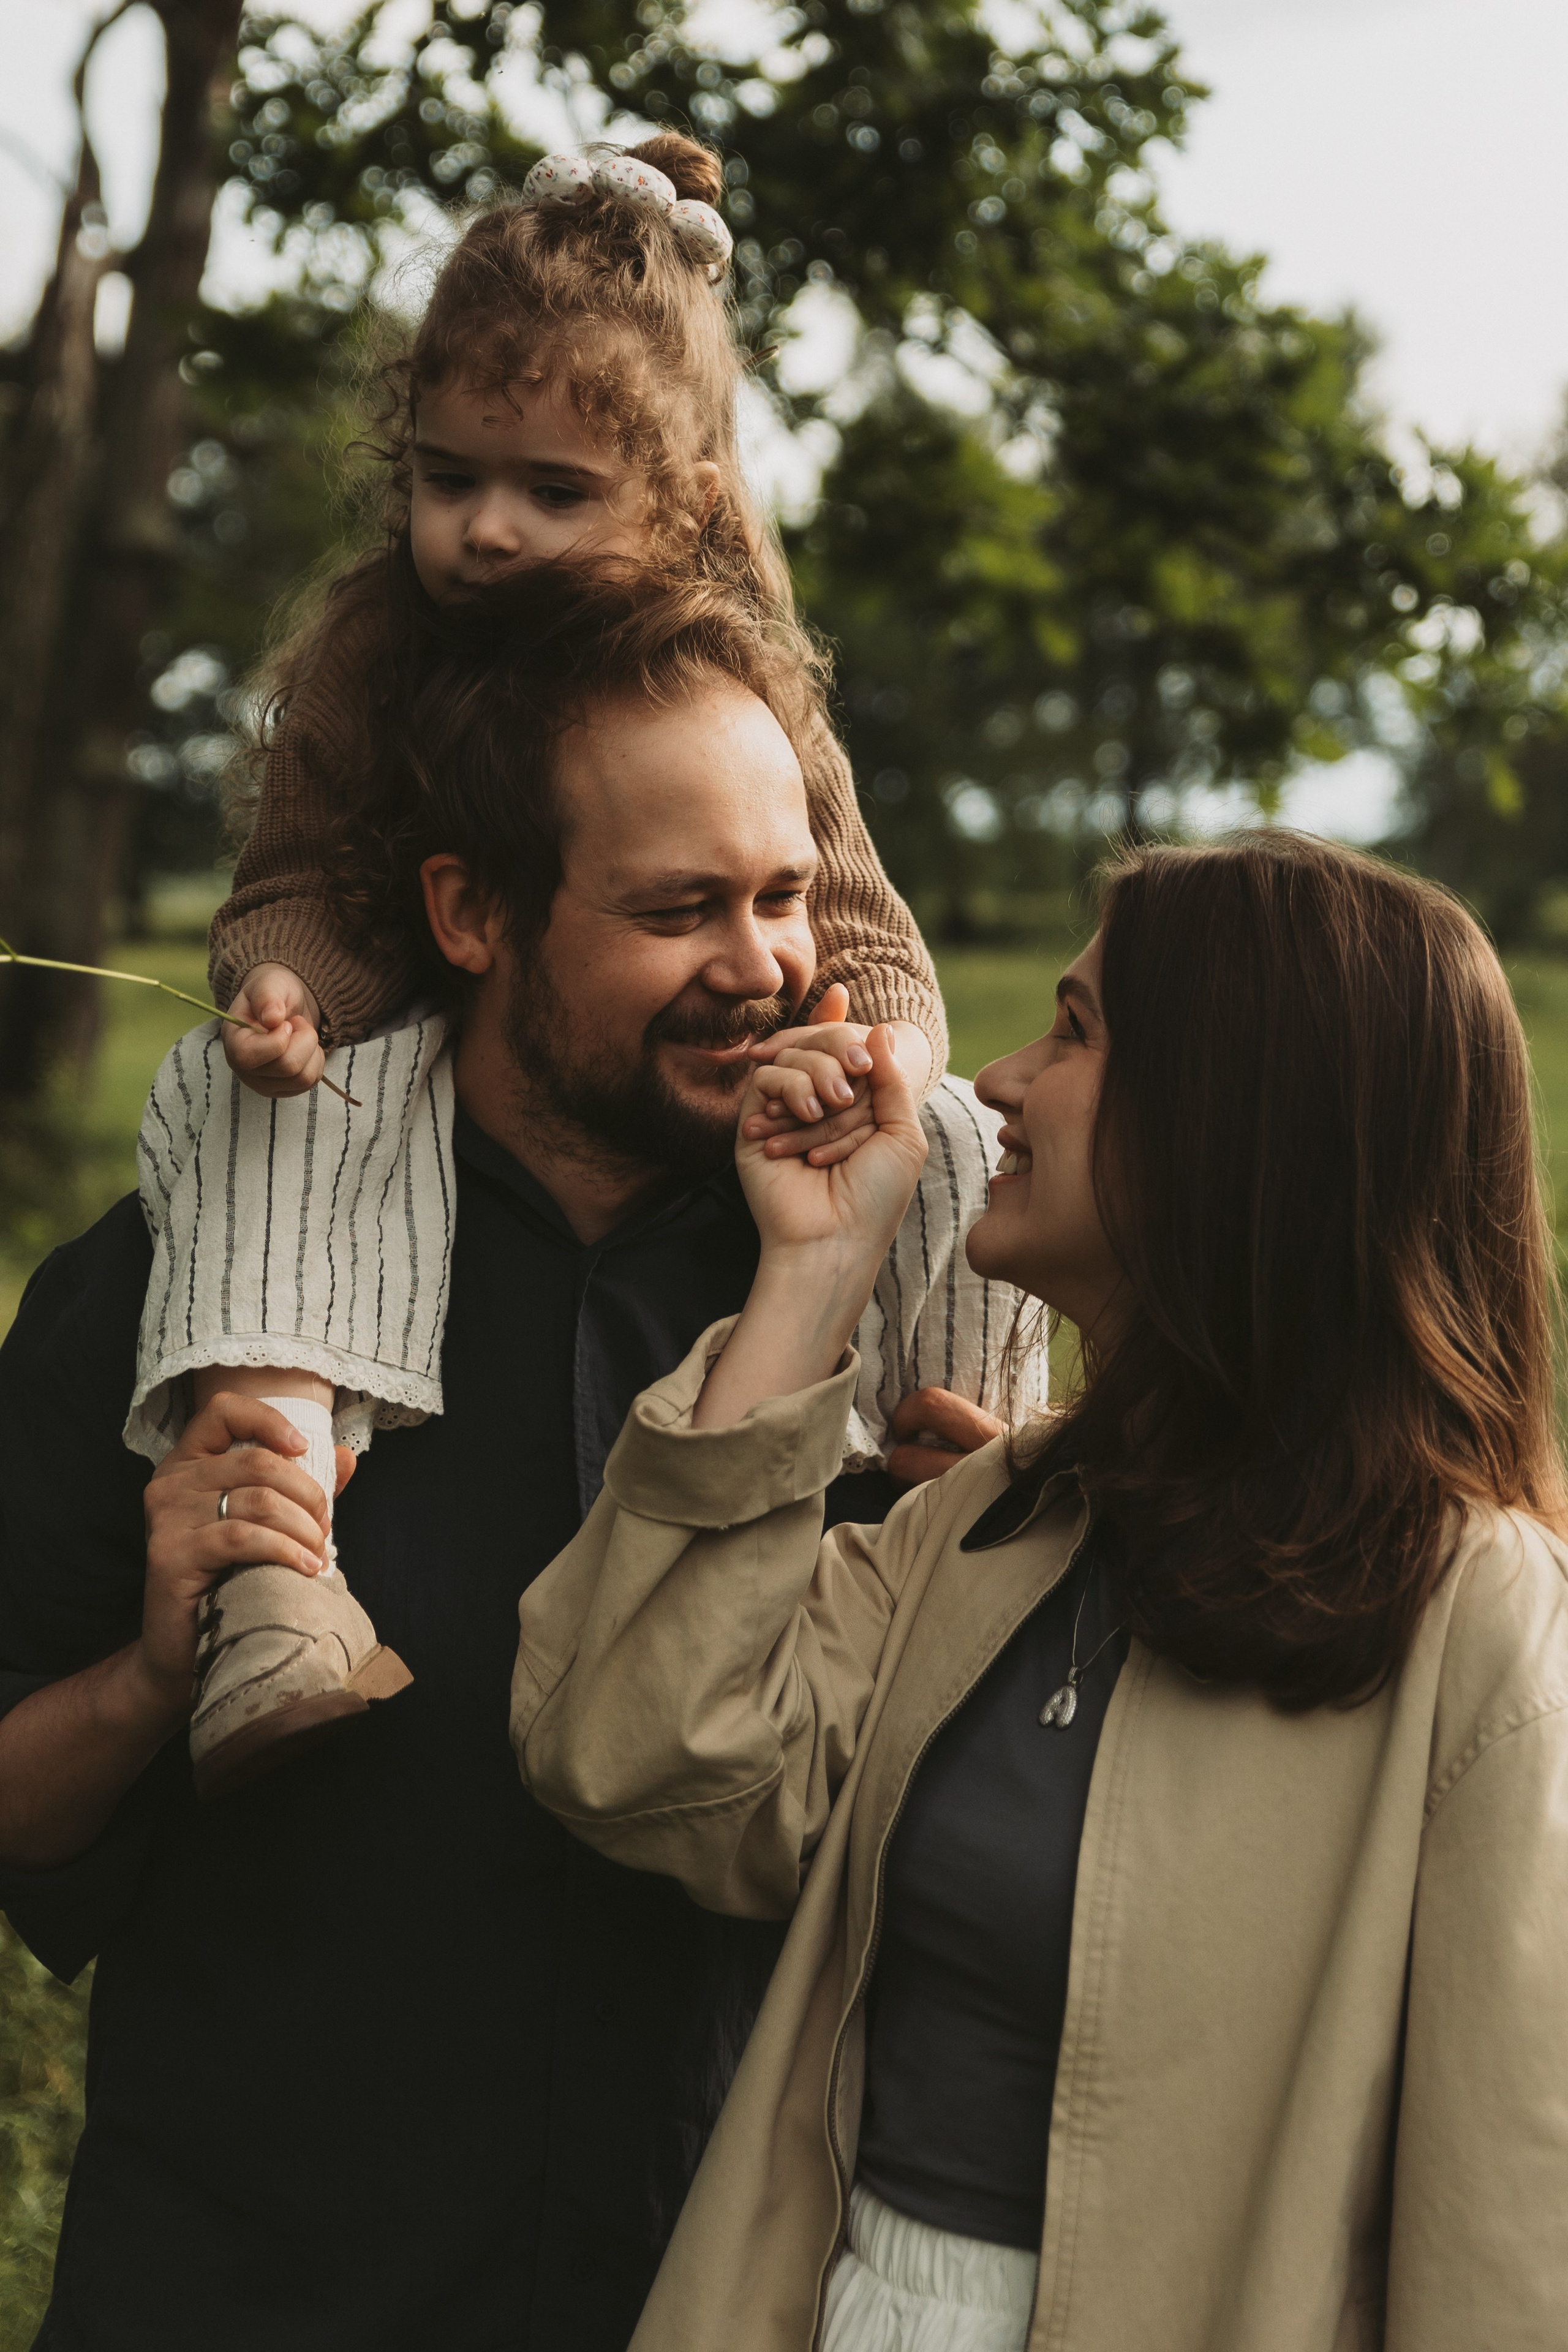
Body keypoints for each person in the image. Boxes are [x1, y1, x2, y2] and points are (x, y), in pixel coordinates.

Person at [0, 566, 1025, 2352]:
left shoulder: (894, 1288)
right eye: (678, 908)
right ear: (472, 912)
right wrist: (157, 1669)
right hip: (253, 2288)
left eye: (788, 898)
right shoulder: (219, 1275)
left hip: (716, 2292)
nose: (770, 966)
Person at [513, 832, 1568, 2352]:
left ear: (1238, 1118)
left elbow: (1507, 2250)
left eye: (1074, 1032)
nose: (995, 1080)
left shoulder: (1481, 1625)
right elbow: (631, 1759)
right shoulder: (1001, 1521)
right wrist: (811, 1274)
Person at [127, 130, 949, 1793]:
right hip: (419, 1038)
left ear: (684, 502)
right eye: (450, 479)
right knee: (258, 1113)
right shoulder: (379, 650)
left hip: (624, 1068)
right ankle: (284, 1562)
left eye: (553, 493)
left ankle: (965, 1486)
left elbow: (855, 917)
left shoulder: (739, 681)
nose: (487, 531)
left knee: (966, 1148)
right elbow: (292, 881)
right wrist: (287, 994)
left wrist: (895, 1057)